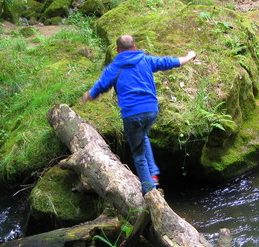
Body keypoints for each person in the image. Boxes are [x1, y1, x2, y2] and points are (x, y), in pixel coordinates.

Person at [82, 34, 197, 194]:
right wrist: (190, 56)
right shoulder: (146, 60)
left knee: (138, 154)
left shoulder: (114, 68)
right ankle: (154, 174)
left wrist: (88, 96)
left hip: (132, 114)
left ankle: (149, 190)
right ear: (134, 47)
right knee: (143, 137)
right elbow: (171, 62)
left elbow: (99, 87)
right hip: (151, 111)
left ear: (118, 50)